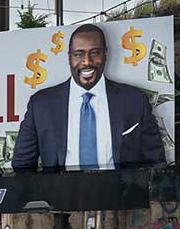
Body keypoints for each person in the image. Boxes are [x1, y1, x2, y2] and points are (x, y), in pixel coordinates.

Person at [11, 23, 165, 172]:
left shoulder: (135, 100)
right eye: (79, 54)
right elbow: (22, 165)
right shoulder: (40, 104)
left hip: (120, 195)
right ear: (69, 57)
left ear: (105, 54)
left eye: (94, 53)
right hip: (61, 195)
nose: (86, 62)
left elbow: (155, 161)